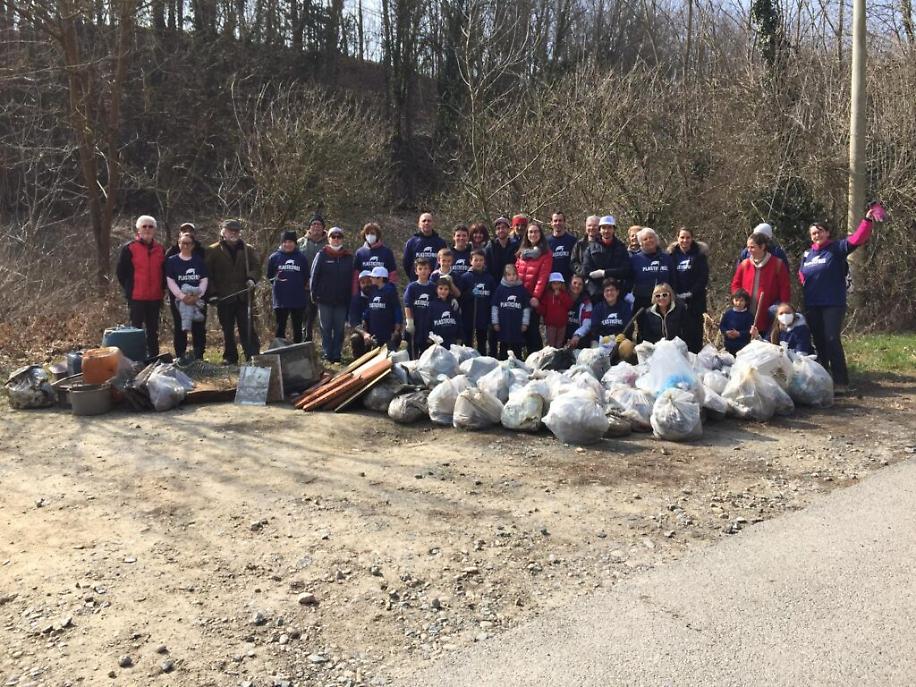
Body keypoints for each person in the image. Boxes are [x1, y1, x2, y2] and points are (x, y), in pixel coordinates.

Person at [799, 206, 880, 391]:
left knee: (831, 338)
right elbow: (802, 274)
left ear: (827, 233)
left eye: (819, 231)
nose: (816, 235)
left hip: (833, 303)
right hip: (812, 304)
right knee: (818, 341)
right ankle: (822, 379)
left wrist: (866, 220)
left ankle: (841, 382)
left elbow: (857, 239)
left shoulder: (836, 248)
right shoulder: (807, 254)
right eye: (813, 233)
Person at [205, 219, 261, 364]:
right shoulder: (213, 250)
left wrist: (252, 279)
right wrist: (212, 293)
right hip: (224, 297)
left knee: (247, 328)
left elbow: (257, 268)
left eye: (236, 230)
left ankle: (253, 355)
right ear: (223, 232)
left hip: (243, 296)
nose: (234, 233)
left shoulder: (247, 249)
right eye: (230, 230)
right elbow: (207, 274)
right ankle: (230, 357)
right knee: (227, 329)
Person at [116, 215, 166, 359]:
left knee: (153, 330)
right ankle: (136, 358)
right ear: (138, 229)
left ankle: (154, 358)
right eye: (144, 226)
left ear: (155, 230)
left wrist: (162, 289)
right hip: (136, 296)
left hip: (155, 297)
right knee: (135, 330)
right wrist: (129, 289)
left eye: (151, 226)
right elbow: (121, 272)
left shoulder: (160, 249)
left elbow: (164, 272)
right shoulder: (129, 248)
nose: (147, 229)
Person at [731, 231, 791, 335]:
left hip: (768, 315)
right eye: (748, 247)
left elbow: (785, 288)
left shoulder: (777, 264)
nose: (749, 250)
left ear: (762, 246)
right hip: (746, 313)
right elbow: (735, 284)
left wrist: (783, 308)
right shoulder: (744, 264)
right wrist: (739, 299)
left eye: (752, 247)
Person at [310, 226, 354, 363]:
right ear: (328, 239)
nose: (336, 239)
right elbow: (314, 275)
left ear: (342, 239)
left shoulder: (348, 257)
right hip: (324, 299)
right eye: (333, 237)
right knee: (326, 327)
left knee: (339, 329)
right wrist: (313, 293)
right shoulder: (322, 254)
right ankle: (327, 353)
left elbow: (353, 279)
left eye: (338, 237)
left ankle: (337, 354)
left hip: (342, 300)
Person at [163, 222, 206, 359]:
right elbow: (169, 279)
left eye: (189, 243)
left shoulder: (200, 256)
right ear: (179, 240)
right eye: (183, 243)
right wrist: (182, 296)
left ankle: (199, 357)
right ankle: (180, 356)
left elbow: (205, 278)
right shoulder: (171, 257)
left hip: (197, 298)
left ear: (193, 244)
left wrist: (198, 295)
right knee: (180, 328)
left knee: (198, 328)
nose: (185, 245)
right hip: (178, 299)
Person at [668, 226, 710, 353]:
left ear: (692, 239)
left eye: (688, 238)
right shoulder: (671, 255)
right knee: (678, 333)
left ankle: (696, 359)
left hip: (695, 300)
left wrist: (690, 293)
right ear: (677, 238)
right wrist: (674, 293)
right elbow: (668, 276)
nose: (685, 240)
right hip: (675, 299)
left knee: (694, 334)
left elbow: (703, 278)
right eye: (682, 237)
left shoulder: (699, 255)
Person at [515, 221, 553, 355]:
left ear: (540, 234)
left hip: (533, 298)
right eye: (530, 232)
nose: (533, 234)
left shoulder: (545, 253)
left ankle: (536, 359)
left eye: (536, 231)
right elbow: (516, 273)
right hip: (520, 296)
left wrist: (536, 297)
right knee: (519, 330)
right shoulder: (521, 253)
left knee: (532, 331)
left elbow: (543, 277)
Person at [267, 230, 310, 343]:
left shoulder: (301, 258)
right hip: (280, 298)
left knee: (297, 327)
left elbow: (306, 276)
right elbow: (270, 276)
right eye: (285, 242)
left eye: (290, 241)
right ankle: (279, 350)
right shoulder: (274, 257)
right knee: (280, 326)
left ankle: (297, 351)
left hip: (298, 298)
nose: (287, 244)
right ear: (281, 243)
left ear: (295, 243)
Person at [582, 215, 631, 300]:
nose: (606, 231)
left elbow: (626, 270)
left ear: (614, 229)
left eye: (609, 228)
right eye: (603, 228)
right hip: (597, 293)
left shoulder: (621, 247)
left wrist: (605, 273)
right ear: (599, 230)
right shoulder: (591, 248)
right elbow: (586, 269)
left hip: (617, 293)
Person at [459, 250, 495, 355]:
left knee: (482, 342)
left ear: (484, 262)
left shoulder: (489, 278)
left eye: (481, 260)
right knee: (467, 343)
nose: (478, 262)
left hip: (483, 316)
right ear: (470, 261)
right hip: (468, 316)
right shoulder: (465, 277)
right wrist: (469, 294)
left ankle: (482, 363)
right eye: (476, 260)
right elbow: (460, 296)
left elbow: (493, 297)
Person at [297, 214, 327, 342]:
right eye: (313, 224)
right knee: (305, 316)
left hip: (323, 286)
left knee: (323, 317)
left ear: (323, 228)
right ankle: (306, 341)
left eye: (319, 224)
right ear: (309, 228)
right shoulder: (300, 243)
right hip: (304, 286)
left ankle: (326, 346)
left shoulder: (329, 243)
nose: (316, 226)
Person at [492, 263, 531, 360]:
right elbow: (494, 306)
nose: (512, 277)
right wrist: (495, 322)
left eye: (514, 274)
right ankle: (502, 363)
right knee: (503, 346)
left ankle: (518, 366)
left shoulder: (521, 289)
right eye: (509, 275)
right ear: (504, 276)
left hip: (517, 324)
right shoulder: (500, 289)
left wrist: (525, 323)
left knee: (517, 347)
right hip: (504, 324)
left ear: (517, 275)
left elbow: (526, 308)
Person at [630, 227, 674, 311]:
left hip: (664, 301)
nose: (649, 240)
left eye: (651, 237)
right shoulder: (635, 259)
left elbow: (673, 279)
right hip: (642, 302)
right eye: (645, 239)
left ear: (656, 239)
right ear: (640, 243)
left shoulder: (666, 258)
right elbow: (630, 280)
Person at [582, 278, 632, 349]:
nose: (609, 293)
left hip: (620, 341)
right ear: (603, 293)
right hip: (602, 341)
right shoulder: (597, 308)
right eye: (607, 290)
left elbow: (629, 327)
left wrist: (620, 336)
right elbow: (594, 329)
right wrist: (604, 338)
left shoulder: (625, 307)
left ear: (617, 292)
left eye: (612, 290)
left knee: (627, 347)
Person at [404, 258, 438, 358]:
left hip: (427, 324)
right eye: (420, 268)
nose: (423, 271)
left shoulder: (433, 287)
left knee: (426, 352)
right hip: (415, 324)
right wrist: (409, 322)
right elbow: (407, 305)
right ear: (416, 271)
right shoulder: (412, 287)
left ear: (429, 270)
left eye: (425, 268)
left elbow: (437, 304)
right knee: (412, 351)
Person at [363, 266, 403, 351]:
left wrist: (397, 326)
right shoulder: (372, 291)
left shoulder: (390, 291)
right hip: (374, 331)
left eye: (373, 277)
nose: (371, 278)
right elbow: (369, 307)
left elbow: (397, 309)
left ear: (380, 278)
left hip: (387, 332)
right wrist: (365, 318)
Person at [403, 212, 447, 281]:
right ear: (419, 224)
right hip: (416, 282)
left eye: (429, 221)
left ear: (433, 224)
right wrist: (414, 276)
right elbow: (406, 264)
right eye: (424, 221)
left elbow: (444, 262)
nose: (426, 223)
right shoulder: (411, 242)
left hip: (436, 283)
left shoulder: (440, 242)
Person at [354, 222, 398, 286]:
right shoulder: (360, 253)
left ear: (377, 235)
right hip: (364, 291)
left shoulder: (386, 252)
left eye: (372, 233)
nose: (369, 235)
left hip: (382, 291)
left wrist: (390, 289)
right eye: (367, 233)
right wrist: (355, 293)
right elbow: (356, 275)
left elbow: (392, 273)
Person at [538, 272, 573, 348]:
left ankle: (558, 358)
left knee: (559, 343)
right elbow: (543, 309)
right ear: (550, 284)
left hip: (562, 324)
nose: (556, 285)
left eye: (558, 283)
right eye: (554, 283)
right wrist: (538, 306)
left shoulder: (565, 294)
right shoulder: (547, 294)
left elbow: (569, 305)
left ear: (561, 284)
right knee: (550, 345)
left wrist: (560, 296)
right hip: (550, 324)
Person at [719, 289, 756, 355]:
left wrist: (739, 334)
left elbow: (750, 331)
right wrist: (726, 332)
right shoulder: (728, 314)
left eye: (742, 300)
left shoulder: (749, 316)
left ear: (746, 302)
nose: (738, 303)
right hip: (728, 345)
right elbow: (722, 326)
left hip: (743, 346)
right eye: (736, 300)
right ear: (732, 300)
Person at [428, 278, 463, 348]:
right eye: (440, 289)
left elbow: (458, 321)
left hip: (452, 341)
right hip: (437, 342)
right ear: (436, 289)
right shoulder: (432, 305)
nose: (443, 291)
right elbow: (427, 321)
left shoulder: (453, 304)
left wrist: (460, 337)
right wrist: (428, 337)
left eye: (446, 289)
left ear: (449, 291)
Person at [348, 270, 374, 358]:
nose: (366, 285)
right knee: (355, 338)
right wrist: (364, 334)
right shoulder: (355, 300)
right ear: (359, 284)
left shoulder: (380, 296)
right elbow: (354, 322)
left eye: (369, 282)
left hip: (378, 330)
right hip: (362, 332)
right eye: (363, 283)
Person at [485, 216, 519, 282]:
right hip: (494, 283)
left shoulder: (515, 245)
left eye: (503, 228)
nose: (501, 230)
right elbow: (486, 266)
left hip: (512, 283)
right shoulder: (491, 246)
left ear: (509, 229)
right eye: (498, 228)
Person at [547, 211, 577, 282]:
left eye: (560, 220)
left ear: (564, 222)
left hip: (568, 281)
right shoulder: (545, 242)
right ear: (551, 223)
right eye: (555, 221)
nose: (558, 223)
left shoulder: (573, 241)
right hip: (551, 282)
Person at [565, 274, 593, 348]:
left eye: (580, 284)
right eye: (574, 283)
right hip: (562, 333)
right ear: (569, 284)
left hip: (578, 335)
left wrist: (577, 335)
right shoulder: (562, 298)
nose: (577, 286)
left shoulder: (587, 303)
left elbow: (587, 324)